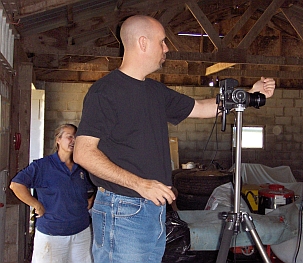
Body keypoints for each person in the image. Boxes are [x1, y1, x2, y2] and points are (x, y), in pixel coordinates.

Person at [73, 15, 276, 263]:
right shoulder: (105, 91)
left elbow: (201, 108)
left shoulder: (155, 91)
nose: (167, 48)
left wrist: (249, 94)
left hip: (153, 209)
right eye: (162, 42)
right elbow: (83, 152)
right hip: (122, 209)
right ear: (143, 43)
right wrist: (140, 184)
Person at [10, 124, 95, 263]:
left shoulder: (82, 166)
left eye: (76, 137)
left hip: (81, 232)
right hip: (52, 233)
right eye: (69, 137)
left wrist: (92, 198)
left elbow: (95, 186)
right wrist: (36, 204)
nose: (73, 141)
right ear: (58, 139)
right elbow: (16, 184)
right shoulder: (43, 166)